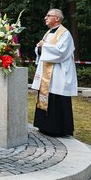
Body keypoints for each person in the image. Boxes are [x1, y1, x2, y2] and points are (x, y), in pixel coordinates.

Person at [31, 9, 77, 137]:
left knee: (57, 98)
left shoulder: (65, 34)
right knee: (47, 96)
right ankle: (44, 125)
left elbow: (61, 52)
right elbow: (42, 48)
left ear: (56, 18)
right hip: (48, 72)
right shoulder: (48, 33)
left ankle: (57, 128)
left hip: (58, 73)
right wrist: (39, 47)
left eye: (48, 16)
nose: (45, 18)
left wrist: (43, 46)